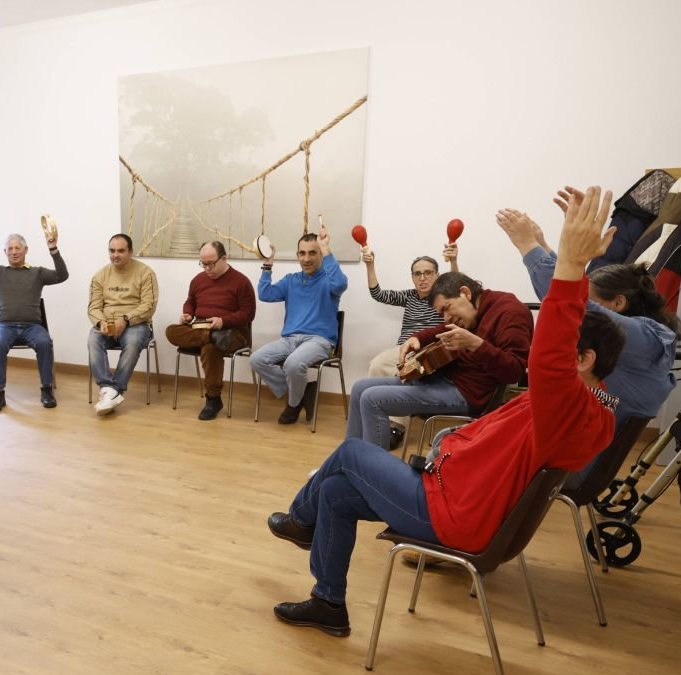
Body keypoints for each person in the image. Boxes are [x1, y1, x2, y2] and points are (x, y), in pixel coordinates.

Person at [267, 185, 623, 637]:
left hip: (453, 515)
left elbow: (546, 354)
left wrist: (570, 264)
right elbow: (566, 358)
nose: (548, 354)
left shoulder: (566, 407)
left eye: (564, 350)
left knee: (351, 454)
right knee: (336, 492)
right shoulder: (597, 406)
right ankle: (328, 603)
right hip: (454, 495)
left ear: (583, 360)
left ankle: (301, 520)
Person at [496, 188, 679, 427]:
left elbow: (567, 299)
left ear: (618, 302)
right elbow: (571, 291)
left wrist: (528, 245)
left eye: (589, 298)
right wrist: (549, 247)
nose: (582, 301)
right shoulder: (642, 337)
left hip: (573, 440)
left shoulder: (645, 339)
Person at [345, 269, 533, 450]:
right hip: (443, 380)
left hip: (468, 394)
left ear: (465, 293)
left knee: (372, 399)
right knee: (360, 388)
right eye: (441, 314)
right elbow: (443, 329)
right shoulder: (471, 311)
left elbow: (514, 372)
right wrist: (418, 338)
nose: (446, 318)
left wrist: (476, 345)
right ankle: (348, 457)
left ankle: (370, 466)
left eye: (446, 309)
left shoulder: (511, 312)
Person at [0, 213, 68, 413]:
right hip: (5, 326)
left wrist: (53, 249)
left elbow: (62, 275)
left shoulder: (37, 273)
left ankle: (47, 390)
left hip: (33, 327)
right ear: (5, 252)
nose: (13, 252)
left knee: (44, 343)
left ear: (25, 250)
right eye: (9, 249)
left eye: (17, 248)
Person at [248, 225, 348, 424]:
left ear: (320, 254)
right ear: (297, 255)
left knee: (293, 364)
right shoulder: (291, 280)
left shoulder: (329, 281)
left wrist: (325, 248)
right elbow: (265, 294)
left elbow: (340, 284)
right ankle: (301, 393)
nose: (306, 258)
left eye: (312, 253)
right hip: (290, 340)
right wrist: (268, 264)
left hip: (320, 341)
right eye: (302, 253)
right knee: (256, 359)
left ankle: (293, 405)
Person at [361, 244, 458, 447]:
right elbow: (378, 294)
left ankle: (396, 426)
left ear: (437, 275)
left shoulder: (442, 298)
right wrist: (370, 265)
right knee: (376, 365)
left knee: (404, 371)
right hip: (403, 349)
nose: (422, 278)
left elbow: (457, 291)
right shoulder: (409, 296)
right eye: (417, 274)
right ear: (412, 277)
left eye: (428, 273)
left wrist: (453, 262)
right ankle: (376, 420)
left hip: (429, 352)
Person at [164, 242, 257, 420]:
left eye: (211, 264)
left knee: (210, 348)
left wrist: (223, 321)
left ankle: (213, 399)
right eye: (203, 263)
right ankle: (211, 336)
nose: (207, 268)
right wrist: (187, 314)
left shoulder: (241, 282)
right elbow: (190, 301)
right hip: (201, 327)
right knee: (171, 331)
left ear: (224, 258)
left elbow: (248, 314)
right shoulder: (198, 280)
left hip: (232, 332)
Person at [88, 233, 159, 415]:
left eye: (120, 251)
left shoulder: (146, 273)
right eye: (112, 251)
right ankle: (107, 389)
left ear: (130, 252)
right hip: (107, 323)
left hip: (136, 324)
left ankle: (115, 390)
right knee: (93, 339)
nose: (115, 255)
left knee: (133, 341)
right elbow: (93, 308)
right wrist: (101, 322)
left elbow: (149, 306)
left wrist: (126, 319)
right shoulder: (100, 276)